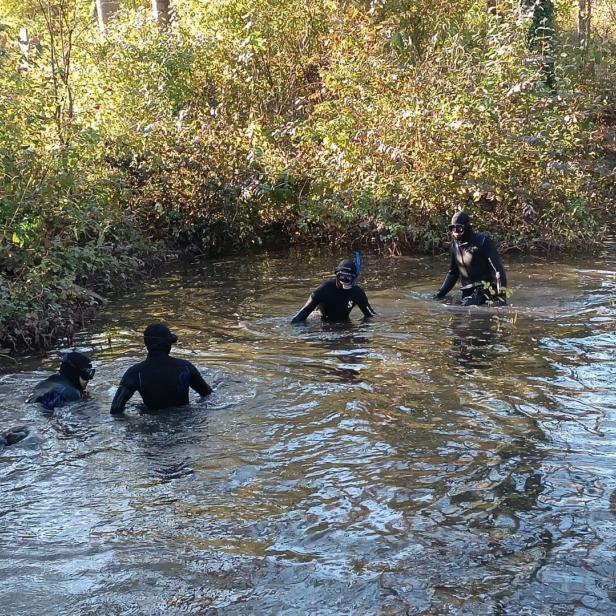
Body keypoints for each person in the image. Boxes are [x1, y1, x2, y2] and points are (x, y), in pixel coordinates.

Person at [110, 323, 212, 414]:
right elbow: (208, 396)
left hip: (152, 427)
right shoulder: (185, 367)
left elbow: (115, 409)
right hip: (184, 423)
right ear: (169, 344)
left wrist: (139, 408)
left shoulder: (135, 373)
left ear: (146, 344)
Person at [434, 211, 508, 306]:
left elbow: (499, 270)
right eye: (452, 228)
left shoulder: (483, 242)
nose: (455, 232)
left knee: (465, 307)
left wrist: (501, 298)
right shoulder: (454, 245)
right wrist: (439, 294)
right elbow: (453, 273)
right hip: (467, 293)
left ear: (467, 227)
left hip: (486, 290)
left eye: (459, 228)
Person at [291, 257, 376, 323]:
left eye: (349, 277)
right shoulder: (323, 290)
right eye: (342, 276)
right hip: (320, 322)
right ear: (336, 275)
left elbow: (370, 315)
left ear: (354, 278)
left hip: (344, 323)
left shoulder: (357, 293)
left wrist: (363, 328)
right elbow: (302, 314)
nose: (344, 281)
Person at [28, 351, 95, 410]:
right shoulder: (73, 393)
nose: (88, 379)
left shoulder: (44, 383)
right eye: (85, 375)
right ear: (74, 374)